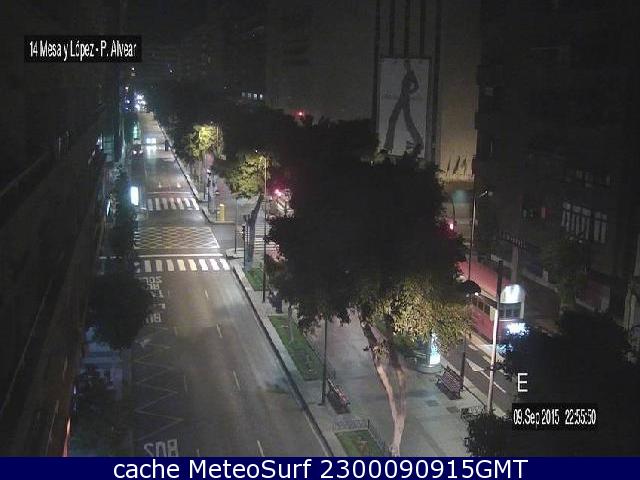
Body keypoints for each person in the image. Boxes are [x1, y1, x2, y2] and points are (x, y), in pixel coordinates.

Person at [383, 58, 424, 155]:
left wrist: (409, 92)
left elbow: (416, 86)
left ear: (409, 65)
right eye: (405, 65)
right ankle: (389, 144)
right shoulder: (408, 74)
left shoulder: (411, 74)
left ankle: (418, 143)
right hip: (402, 98)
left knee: (402, 120)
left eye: (406, 65)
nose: (405, 66)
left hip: (404, 99)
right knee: (399, 120)